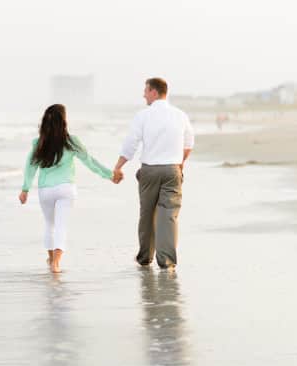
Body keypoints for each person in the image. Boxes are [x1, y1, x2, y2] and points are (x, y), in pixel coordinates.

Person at [18, 104, 114, 273]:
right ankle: (56, 263)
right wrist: (109, 175)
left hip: (45, 190)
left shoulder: (39, 143)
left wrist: (25, 189)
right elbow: (90, 162)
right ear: (64, 121)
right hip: (66, 189)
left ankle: (51, 259)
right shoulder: (71, 141)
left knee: (50, 225)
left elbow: (30, 167)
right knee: (61, 226)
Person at [113, 78, 196, 271]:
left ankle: (144, 257)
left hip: (149, 170)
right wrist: (181, 164)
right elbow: (189, 143)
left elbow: (130, 144)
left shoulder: (143, 116)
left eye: (146, 91)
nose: (144, 95)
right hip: (172, 170)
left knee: (147, 213)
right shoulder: (180, 115)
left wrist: (118, 166)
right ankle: (166, 261)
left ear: (154, 92)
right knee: (168, 216)